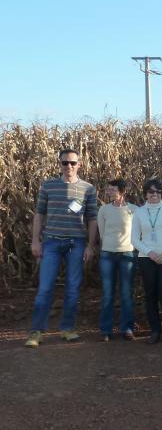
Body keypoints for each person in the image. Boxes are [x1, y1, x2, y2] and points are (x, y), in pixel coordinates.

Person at [25, 149, 98, 348]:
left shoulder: (88, 189)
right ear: (59, 164)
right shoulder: (48, 186)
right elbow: (39, 214)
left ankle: (68, 328)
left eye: (72, 163)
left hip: (77, 243)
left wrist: (91, 246)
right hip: (51, 242)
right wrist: (35, 241)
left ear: (79, 164)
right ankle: (37, 331)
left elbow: (92, 219)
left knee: (73, 288)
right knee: (45, 288)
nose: (69, 166)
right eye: (65, 163)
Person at [131, 179, 162, 344]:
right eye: (151, 192)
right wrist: (150, 253)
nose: (154, 195)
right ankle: (155, 331)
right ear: (145, 194)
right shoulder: (139, 212)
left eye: (158, 192)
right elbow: (134, 239)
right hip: (147, 258)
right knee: (150, 294)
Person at [97, 178, 137, 342]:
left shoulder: (133, 210)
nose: (109, 192)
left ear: (122, 192)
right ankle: (106, 330)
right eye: (108, 189)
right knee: (108, 293)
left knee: (126, 293)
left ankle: (127, 328)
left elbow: (138, 232)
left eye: (113, 189)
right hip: (107, 254)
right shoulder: (103, 210)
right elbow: (102, 233)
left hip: (127, 254)